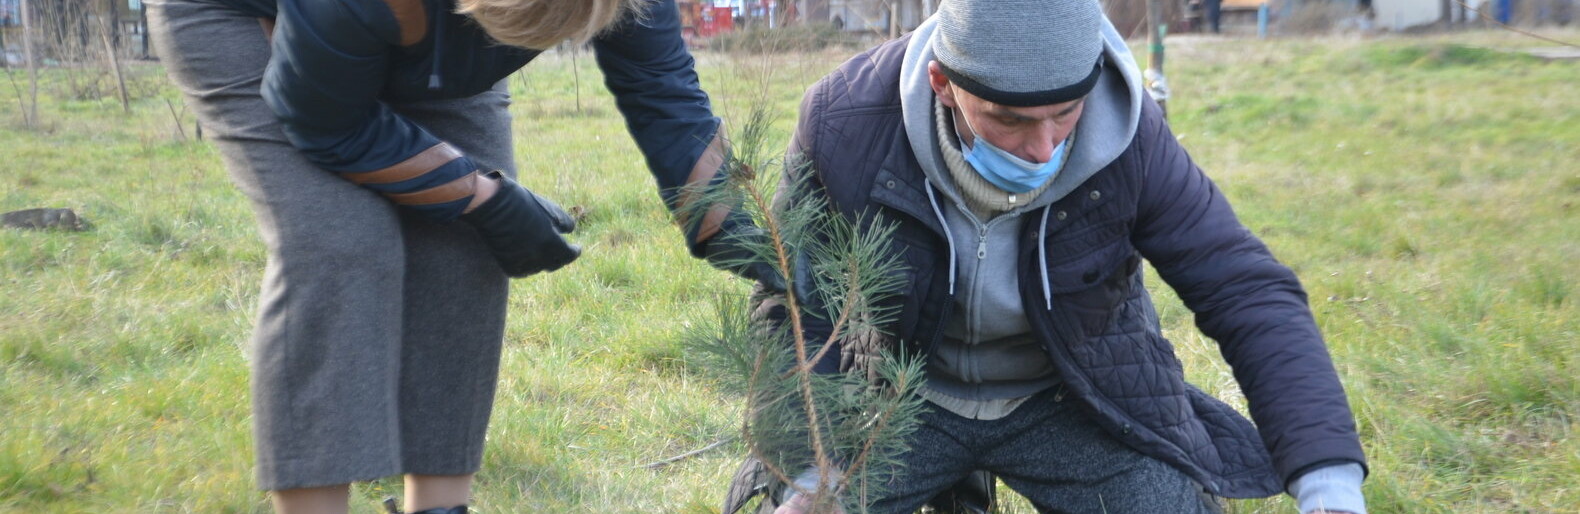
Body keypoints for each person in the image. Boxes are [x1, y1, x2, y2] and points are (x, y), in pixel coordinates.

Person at [750, 0, 1368, 512]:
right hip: (897, 397)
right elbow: (791, 305)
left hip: (1069, 395)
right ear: (943, 84)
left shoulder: (1131, 135)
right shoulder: (844, 123)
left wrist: (1328, 483)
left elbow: (1242, 288)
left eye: (1065, 114)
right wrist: (809, 468)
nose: (1044, 149)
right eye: (1010, 120)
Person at [147, 0, 755, 512]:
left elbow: (665, 95)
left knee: (469, 244)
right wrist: (483, 196)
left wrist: (750, 242)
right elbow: (326, 121)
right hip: (252, 18)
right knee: (342, 243)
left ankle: (440, 505)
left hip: (441, 33)